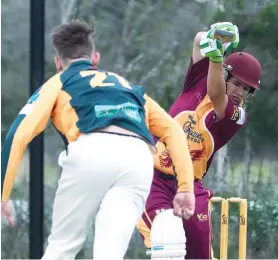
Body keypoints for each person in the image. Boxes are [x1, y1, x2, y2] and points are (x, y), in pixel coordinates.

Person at [1, 20, 196, 259]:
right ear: (95, 58)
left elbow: (18, 135)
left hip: (92, 150)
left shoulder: (59, 81)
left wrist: (2, 195)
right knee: (109, 253)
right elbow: (173, 131)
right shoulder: (126, 86)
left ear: (58, 63)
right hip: (138, 157)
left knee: (62, 247)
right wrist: (185, 187)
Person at [137, 22, 262, 259]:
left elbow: (217, 94)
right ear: (225, 73)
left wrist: (216, 57)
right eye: (236, 83)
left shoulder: (236, 115)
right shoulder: (198, 80)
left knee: (201, 256)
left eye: (246, 89)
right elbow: (197, 40)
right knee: (168, 242)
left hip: (190, 185)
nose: (239, 92)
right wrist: (213, 36)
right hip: (154, 178)